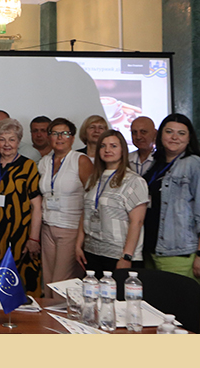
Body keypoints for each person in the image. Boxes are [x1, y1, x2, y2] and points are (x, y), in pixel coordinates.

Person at [0, 118, 43, 296]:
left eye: (12, 139)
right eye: (2, 139)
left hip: (20, 235)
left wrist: (34, 239)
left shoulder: (28, 166)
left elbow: (36, 206)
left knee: (20, 284)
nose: (7, 144)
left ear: (18, 141)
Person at [76, 130, 147, 275]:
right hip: (92, 251)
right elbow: (85, 213)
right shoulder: (93, 179)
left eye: (113, 146)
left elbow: (137, 222)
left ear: (123, 150)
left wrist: (127, 256)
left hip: (119, 255)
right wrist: (78, 245)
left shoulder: (134, 181)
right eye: (103, 146)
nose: (107, 150)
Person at [37, 118, 92, 296]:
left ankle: (62, 314)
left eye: (65, 133)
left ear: (72, 138)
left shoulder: (81, 160)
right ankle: (47, 313)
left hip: (71, 228)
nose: (59, 137)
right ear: (49, 137)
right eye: (55, 133)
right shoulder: (44, 162)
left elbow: (91, 199)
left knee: (62, 283)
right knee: (48, 281)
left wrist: (81, 238)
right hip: (47, 227)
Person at [142, 114, 200, 282]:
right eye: (169, 132)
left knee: (179, 297)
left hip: (178, 252)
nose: (174, 137)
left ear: (189, 138)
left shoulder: (194, 164)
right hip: (150, 248)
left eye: (181, 133)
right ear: (160, 135)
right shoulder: (156, 164)